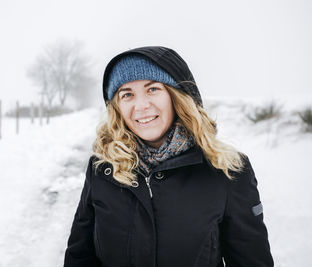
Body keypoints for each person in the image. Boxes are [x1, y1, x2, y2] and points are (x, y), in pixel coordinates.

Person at [63, 46, 274, 267]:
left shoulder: (228, 170)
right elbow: (79, 257)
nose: (141, 106)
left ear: (177, 96)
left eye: (153, 89)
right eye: (127, 94)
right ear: (117, 107)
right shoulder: (104, 169)